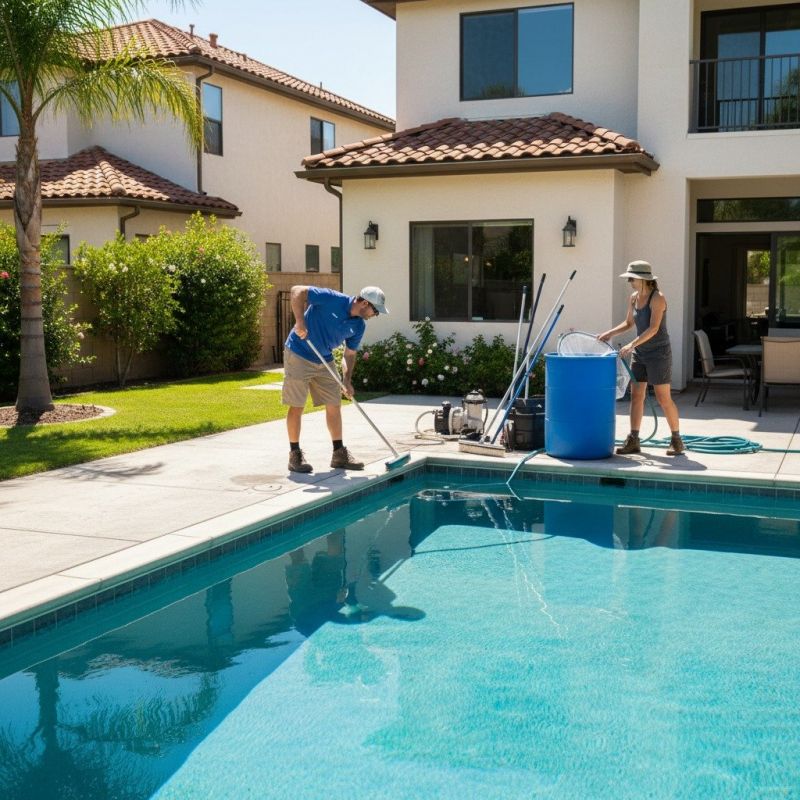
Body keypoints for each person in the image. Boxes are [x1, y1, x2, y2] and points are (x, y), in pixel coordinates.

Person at [282, 284, 388, 473]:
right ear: (365, 303)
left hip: (325, 358)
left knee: (334, 403)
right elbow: (297, 290)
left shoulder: (358, 325)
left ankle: (339, 454)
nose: (376, 315)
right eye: (376, 311)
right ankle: (294, 455)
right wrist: (300, 322)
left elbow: (349, 354)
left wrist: (346, 380)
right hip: (299, 352)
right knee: (297, 405)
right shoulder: (332, 298)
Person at [598, 260, 685, 456]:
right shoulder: (634, 297)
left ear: (643, 279)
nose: (629, 281)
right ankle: (634, 440)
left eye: (631, 278)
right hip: (640, 353)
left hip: (659, 353)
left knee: (663, 398)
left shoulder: (658, 298)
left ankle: (676, 440)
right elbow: (629, 323)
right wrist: (610, 333)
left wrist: (631, 344)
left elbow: (653, 329)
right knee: (636, 396)